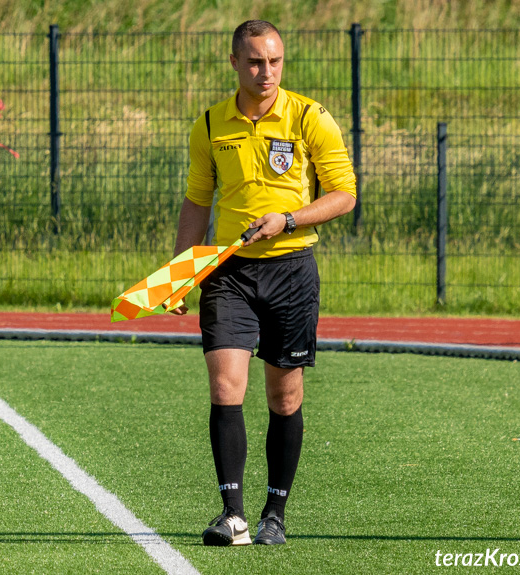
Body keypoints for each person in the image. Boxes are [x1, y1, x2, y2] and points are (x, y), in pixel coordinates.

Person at [170, 20, 357, 546]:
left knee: (285, 394)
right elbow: (197, 202)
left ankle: (275, 513)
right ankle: (232, 514)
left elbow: (344, 194)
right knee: (226, 385)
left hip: (293, 269)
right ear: (234, 63)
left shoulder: (310, 117)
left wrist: (290, 219)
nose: (266, 71)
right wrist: (181, 274)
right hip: (228, 272)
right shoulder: (209, 125)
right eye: (255, 62)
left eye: (274, 61)